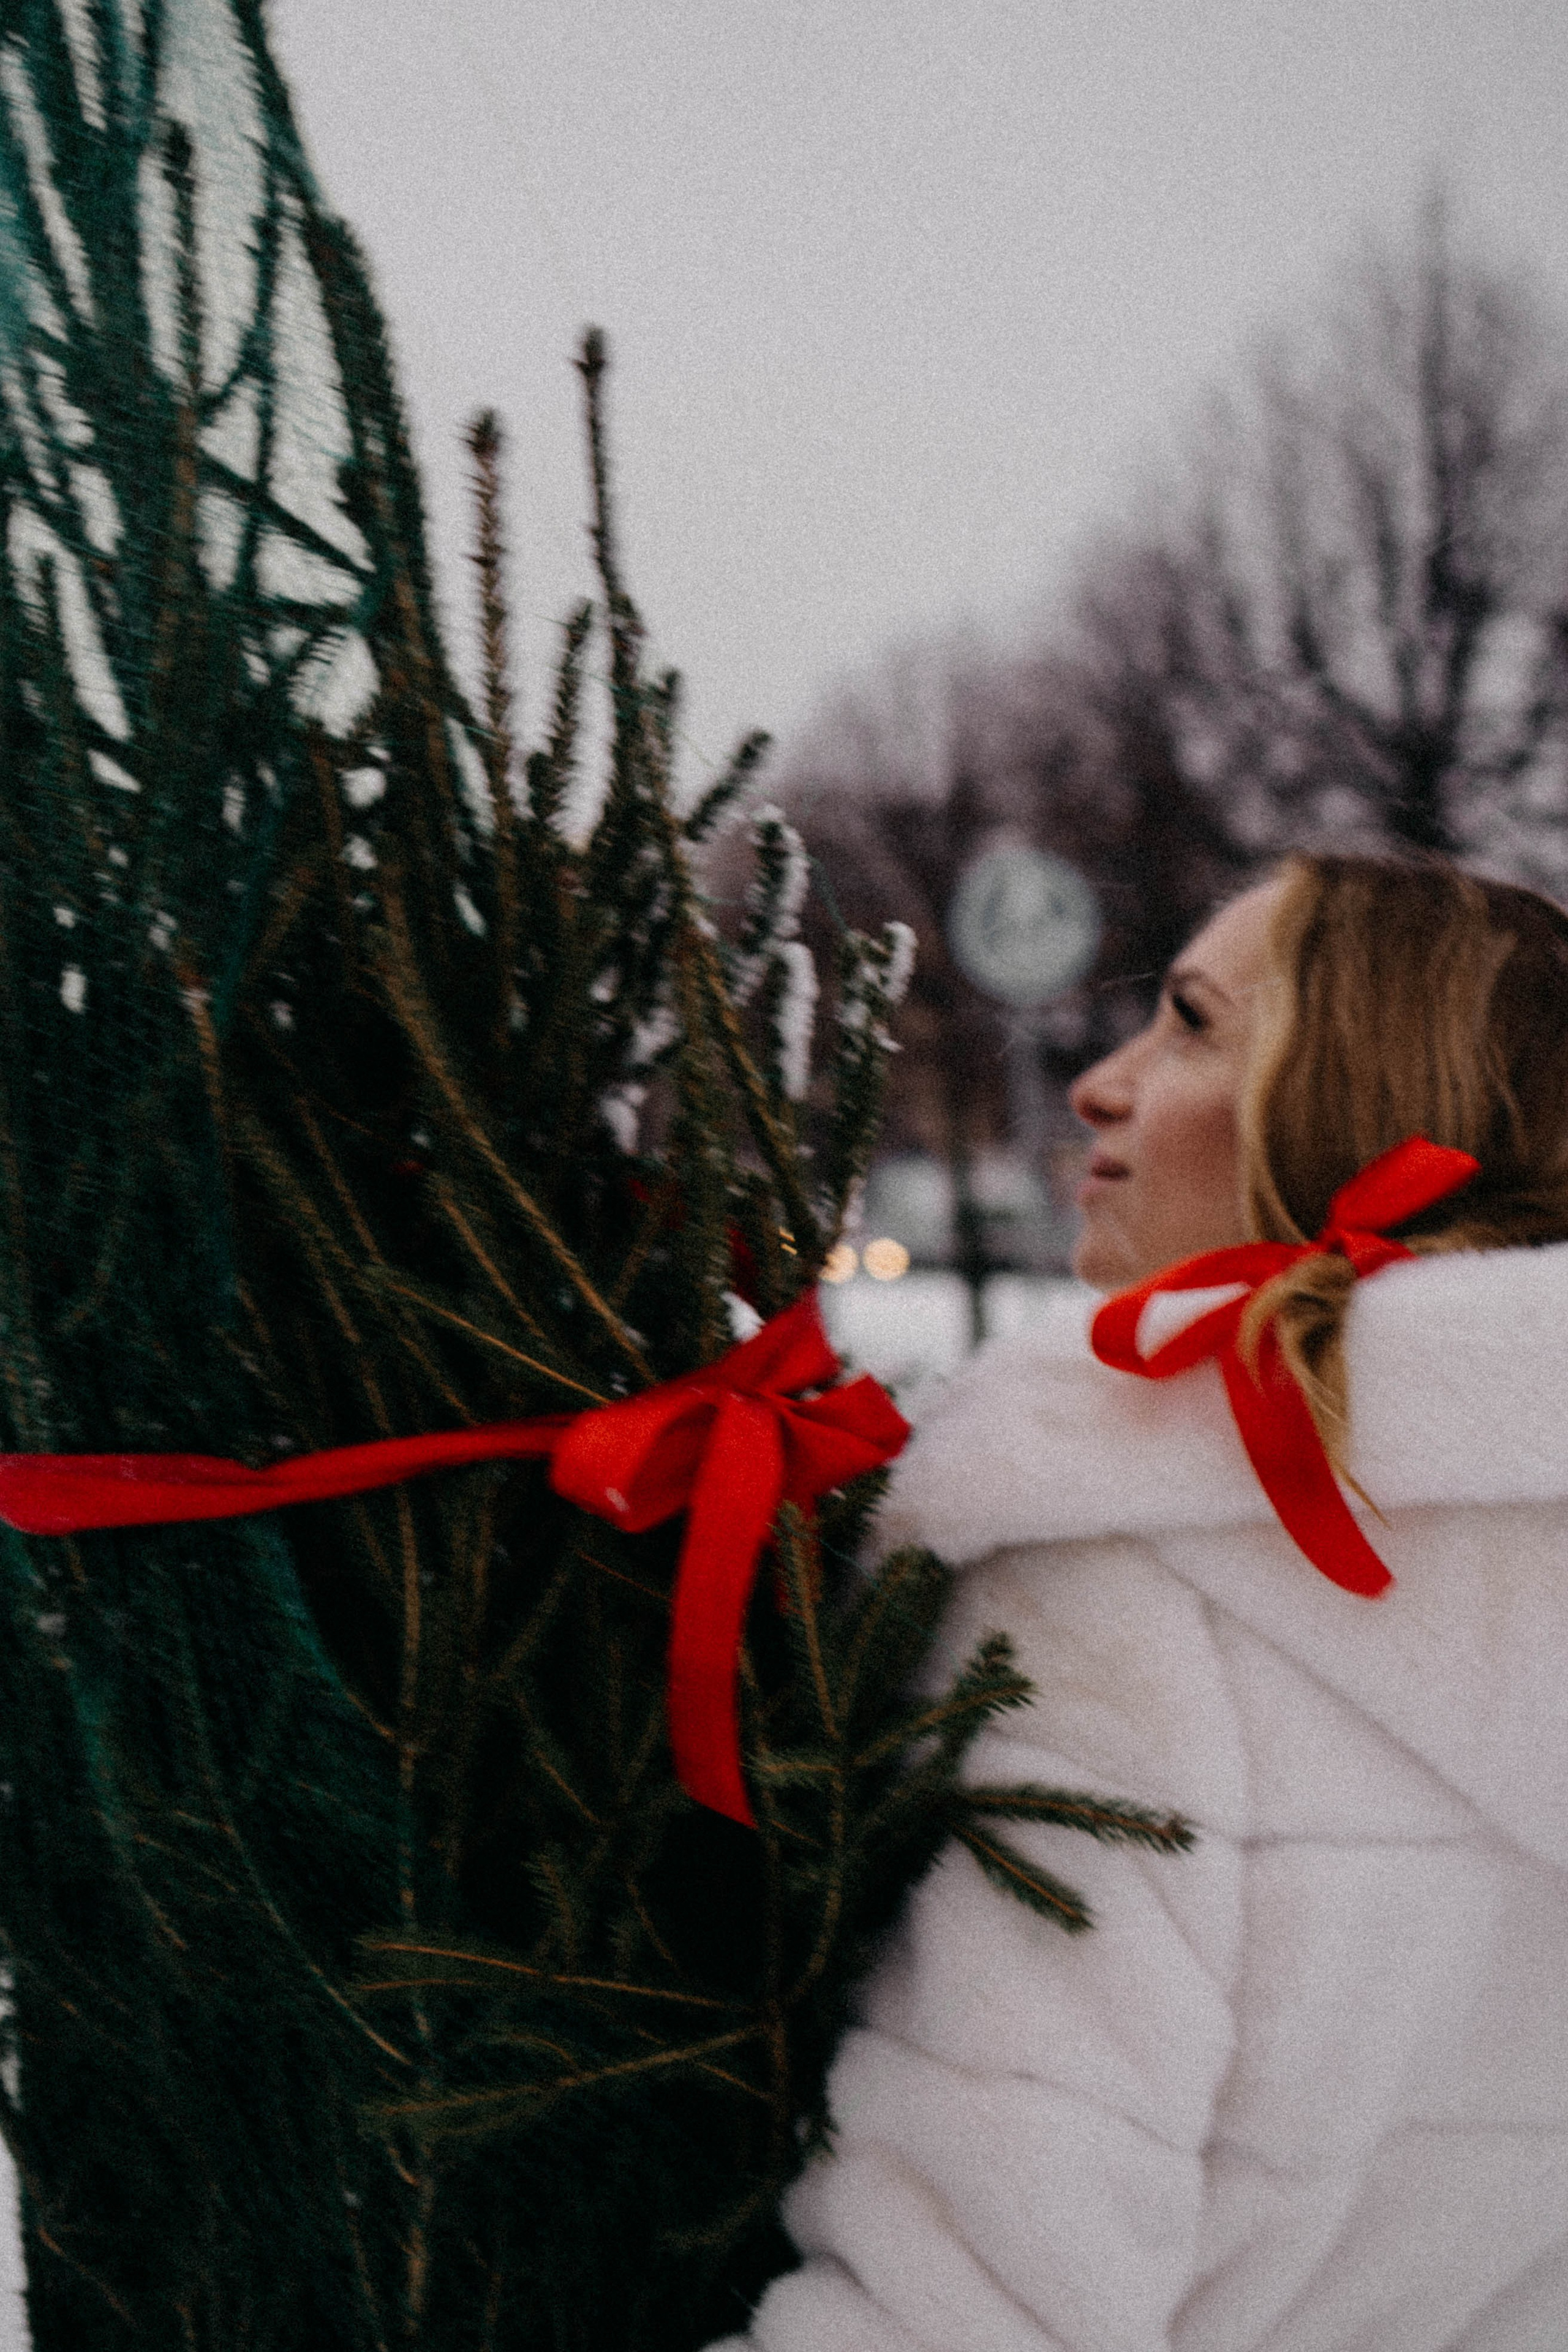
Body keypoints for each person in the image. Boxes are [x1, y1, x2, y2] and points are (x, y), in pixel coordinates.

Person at [716, 851, 1568, 2351]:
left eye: (1187, 1021)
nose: (1102, 1086)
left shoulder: (1116, 1569)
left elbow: (966, 2309)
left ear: (1347, 1098)